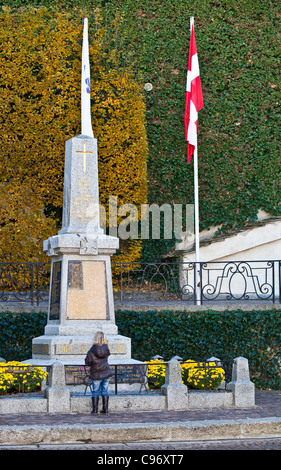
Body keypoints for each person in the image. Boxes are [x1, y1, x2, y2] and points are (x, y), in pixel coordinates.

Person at [85, 331, 114, 414]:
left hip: (96, 373)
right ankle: (105, 409)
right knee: (104, 390)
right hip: (106, 372)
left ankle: (95, 410)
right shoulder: (106, 349)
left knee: (95, 391)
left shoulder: (92, 350)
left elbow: (88, 362)